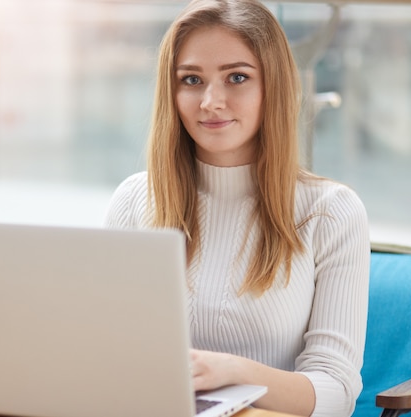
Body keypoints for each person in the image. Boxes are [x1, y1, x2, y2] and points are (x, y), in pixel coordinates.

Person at [103, 1, 370, 416]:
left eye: (237, 78)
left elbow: (336, 394)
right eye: (192, 79)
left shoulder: (331, 213)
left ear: (273, 88)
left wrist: (233, 371)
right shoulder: (134, 201)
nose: (211, 101)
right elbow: (108, 353)